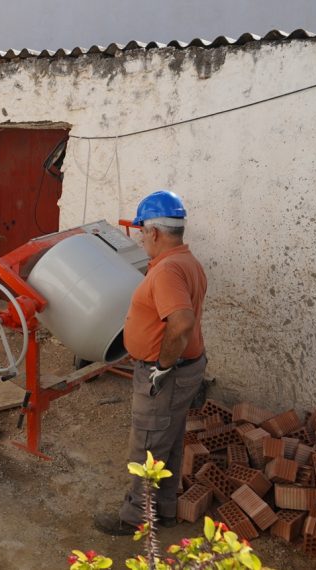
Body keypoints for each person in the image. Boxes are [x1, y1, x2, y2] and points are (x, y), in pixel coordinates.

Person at [94, 189, 208, 535]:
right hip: (186, 368)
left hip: (168, 374)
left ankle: (134, 519)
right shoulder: (187, 262)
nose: (142, 238)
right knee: (167, 441)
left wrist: (164, 366)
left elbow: (182, 322)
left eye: (143, 232)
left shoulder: (167, 271)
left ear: (155, 232)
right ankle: (165, 510)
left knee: (147, 446)